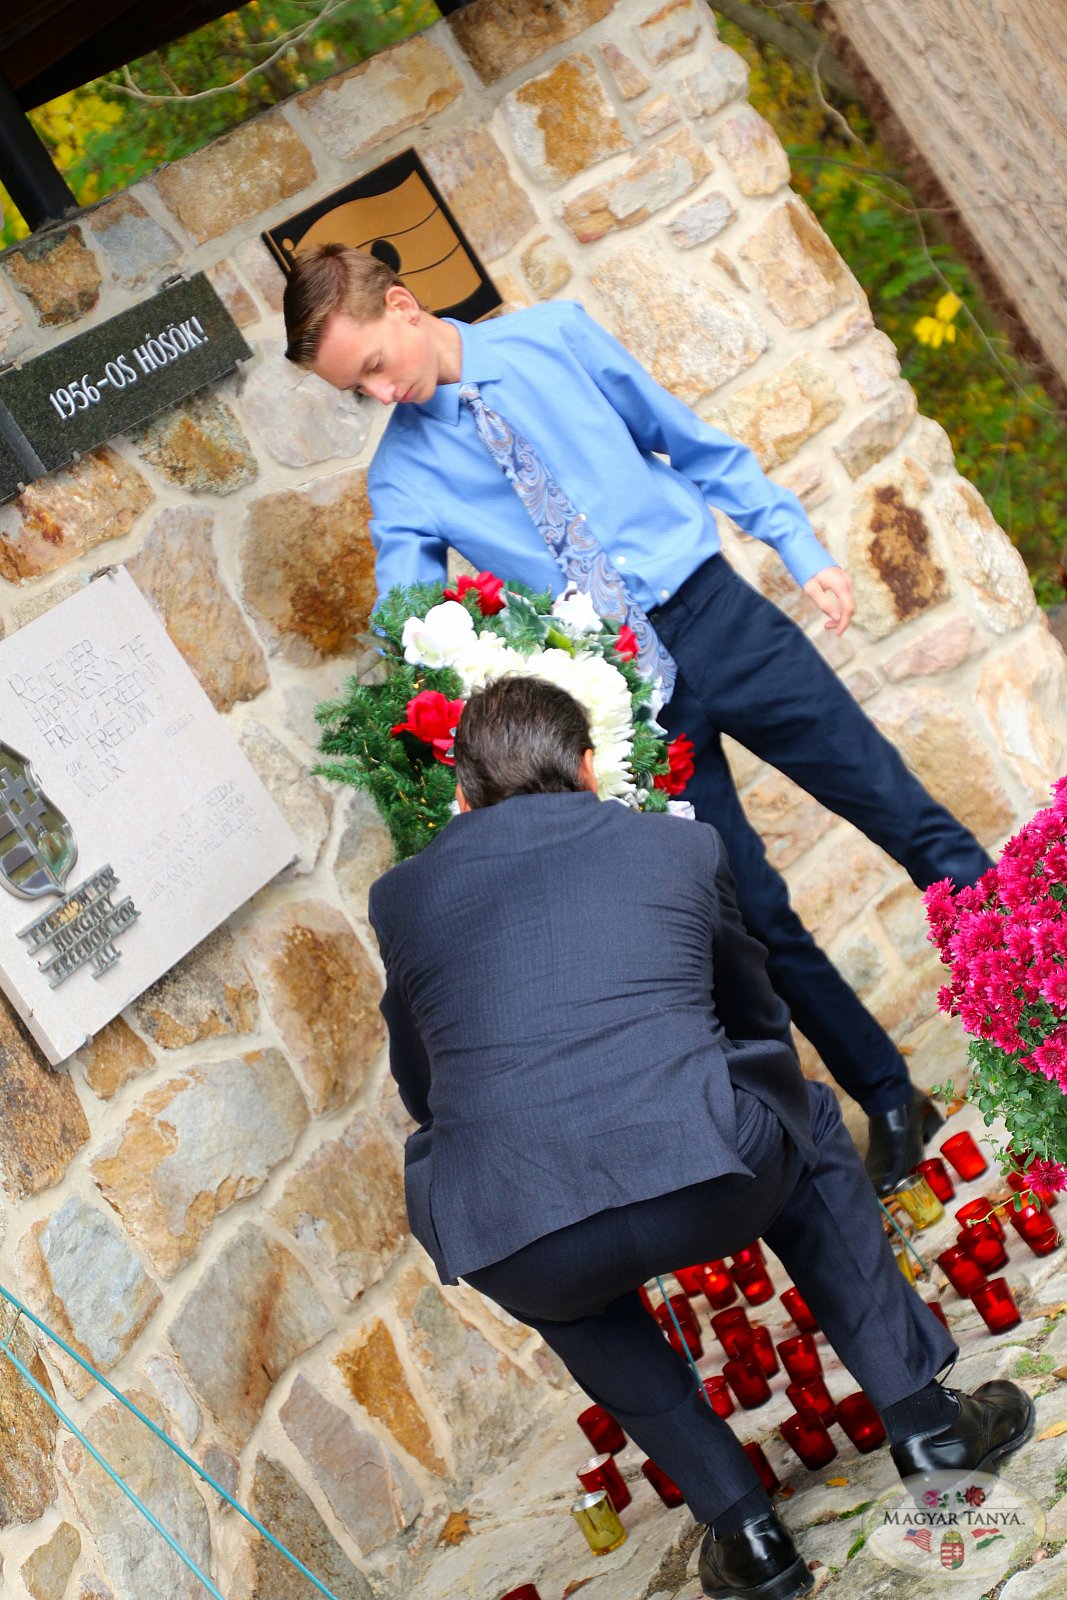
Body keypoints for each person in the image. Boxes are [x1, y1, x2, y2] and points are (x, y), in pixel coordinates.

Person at [284, 243, 995, 1195]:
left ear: (404, 306)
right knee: (750, 915)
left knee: (894, 806)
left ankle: (1042, 1011)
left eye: (372, 365)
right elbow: (415, 633)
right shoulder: (403, 480)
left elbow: (685, 441)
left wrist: (790, 537)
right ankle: (892, 1096)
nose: (378, 395)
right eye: (354, 390)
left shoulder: (555, 339)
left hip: (719, 615)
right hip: (626, 699)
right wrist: (431, 725)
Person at [367, 675, 1032, 1600]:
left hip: (528, 1234)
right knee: (802, 1120)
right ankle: (925, 1425)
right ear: (589, 765)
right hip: (711, 1177)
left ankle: (746, 1532)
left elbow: (423, 1082)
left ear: (459, 790)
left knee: (556, 1277)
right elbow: (751, 1013)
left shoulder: (401, 898)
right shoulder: (674, 846)